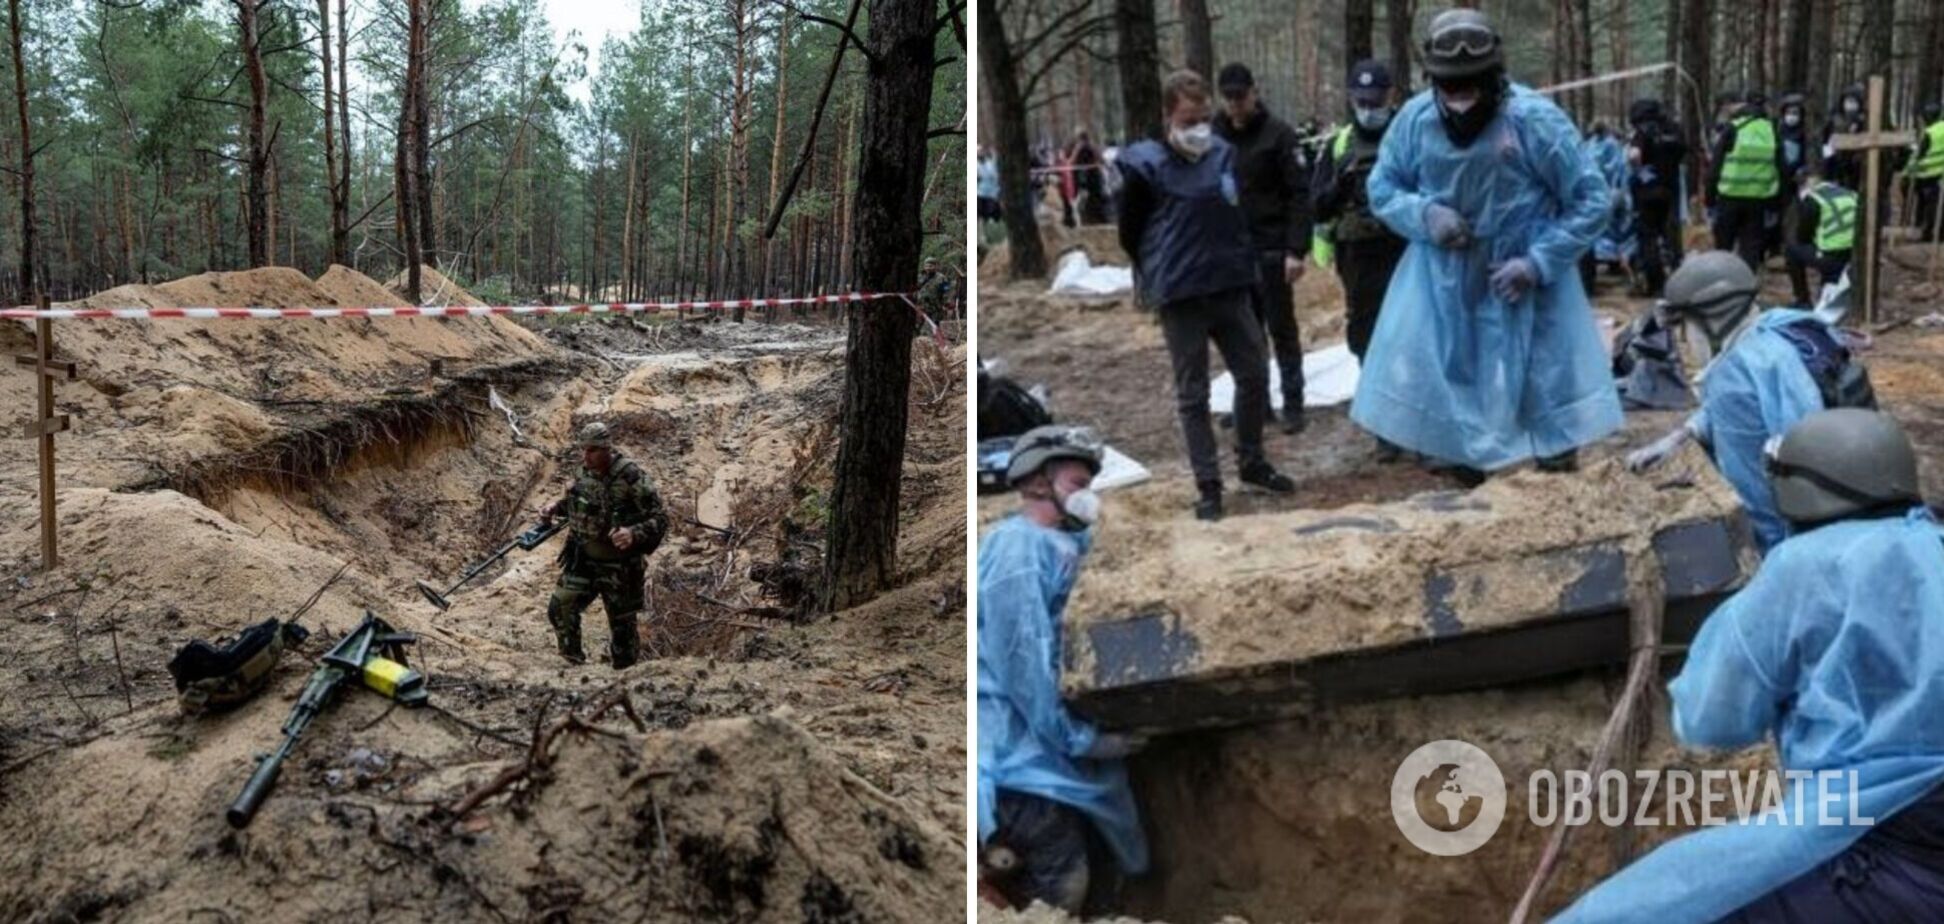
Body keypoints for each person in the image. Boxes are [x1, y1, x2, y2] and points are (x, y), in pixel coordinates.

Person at [1562, 408, 1944, 923]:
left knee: (1634, 911)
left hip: (1878, 836)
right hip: (1916, 831)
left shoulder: (1803, 567)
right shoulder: (1934, 542)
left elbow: (1711, 719)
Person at [1348, 9, 1622, 484]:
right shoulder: (1415, 121)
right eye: (1449, 87)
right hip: (1446, 276)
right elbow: (1383, 187)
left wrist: (1539, 262)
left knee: (1544, 365)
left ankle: (1556, 470)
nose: (1459, 99)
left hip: (1527, 273)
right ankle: (1464, 468)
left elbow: (1592, 199)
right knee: (1455, 366)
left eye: (1470, 85)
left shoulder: (1534, 120)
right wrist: (1425, 215)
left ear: (1494, 75)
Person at [977, 425, 1146, 914]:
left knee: (1091, 876)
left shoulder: (1061, 546)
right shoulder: (1018, 551)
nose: (1085, 499)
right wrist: (1081, 739)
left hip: (1043, 751)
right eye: (1076, 485)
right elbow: (1023, 663)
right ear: (1034, 483)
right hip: (1019, 760)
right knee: (1062, 888)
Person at [1118, 68, 1297, 520]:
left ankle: (1252, 460)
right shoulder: (1145, 167)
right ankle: (1208, 483)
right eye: (1187, 120)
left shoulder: (1222, 154)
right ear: (1167, 117)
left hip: (1231, 285)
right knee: (1193, 394)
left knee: (1254, 373)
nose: (1197, 128)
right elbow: (1130, 230)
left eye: (1202, 118)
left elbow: (1240, 211)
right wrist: (1156, 269)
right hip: (1181, 295)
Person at [1625, 251, 1875, 551]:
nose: (1682, 340)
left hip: (1808, 530)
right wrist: (1685, 433)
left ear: (1714, 318)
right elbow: (1763, 399)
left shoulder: (1732, 380)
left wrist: (1767, 563)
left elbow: (1756, 503)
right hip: (1858, 492)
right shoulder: (1784, 325)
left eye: (1685, 326)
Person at [1311, 59, 1409, 457]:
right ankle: (1385, 427)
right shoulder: (1338, 144)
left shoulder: (1408, 136)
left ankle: (1416, 421)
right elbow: (1316, 206)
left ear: (1391, 97)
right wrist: (1340, 185)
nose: (1369, 107)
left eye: (1376, 99)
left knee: (1411, 335)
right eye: (1361, 100)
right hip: (1358, 256)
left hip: (1404, 250)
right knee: (1367, 338)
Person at [1214, 61, 1314, 433]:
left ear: (1254, 92)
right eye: (1229, 98)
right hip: (1232, 251)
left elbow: (1299, 196)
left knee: (1281, 328)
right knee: (1244, 335)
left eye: (1241, 96)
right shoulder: (1214, 135)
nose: (1236, 104)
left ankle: (1293, 403)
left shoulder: (1279, 135)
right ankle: (1257, 404)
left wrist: (1296, 249)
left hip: (1273, 247)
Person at [540, 422, 668, 668]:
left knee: (622, 629)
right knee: (560, 608)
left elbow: (661, 519)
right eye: (583, 450)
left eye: (592, 450)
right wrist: (555, 508)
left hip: (620, 567)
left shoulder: (631, 478)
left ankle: (624, 677)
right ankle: (573, 665)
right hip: (583, 559)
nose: (585, 456)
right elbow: (577, 503)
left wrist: (634, 533)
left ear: (606, 449)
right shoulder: (583, 472)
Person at [1708, 90, 1789, 271]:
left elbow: (1716, 166)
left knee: (1724, 246)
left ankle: (1722, 282)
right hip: (1758, 198)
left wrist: (1709, 197)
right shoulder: (1771, 130)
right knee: (1751, 247)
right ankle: (1747, 287)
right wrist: (1779, 202)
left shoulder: (1733, 128)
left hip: (1729, 196)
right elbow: (1781, 167)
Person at [1627, 97, 1688, 296]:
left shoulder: (1643, 131)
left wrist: (1638, 170)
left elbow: (1634, 155)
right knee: (1669, 234)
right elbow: (1683, 151)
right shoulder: (1674, 130)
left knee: (1647, 237)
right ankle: (1677, 278)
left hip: (1647, 190)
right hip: (1670, 188)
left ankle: (1656, 283)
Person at [1783, 170, 1857, 306]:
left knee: (1791, 250)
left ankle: (1802, 299)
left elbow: (1803, 236)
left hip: (1829, 255)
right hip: (1853, 255)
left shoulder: (1813, 200)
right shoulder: (1852, 195)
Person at [1909, 101, 1944, 242]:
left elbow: (1919, 155)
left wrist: (1909, 171)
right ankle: (1939, 233)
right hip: (1940, 174)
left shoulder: (1929, 133)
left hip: (1928, 175)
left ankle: (1926, 234)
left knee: (1929, 207)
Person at [1068, 130, 1108, 225]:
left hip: (1086, 179)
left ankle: (1089, 219)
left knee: (1086, 199)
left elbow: (1071, 161)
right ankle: (1091, 219)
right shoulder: (1090, 146)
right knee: (1090, 199)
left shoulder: (1084, 147)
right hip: (1090, 178)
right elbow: (1101, 159)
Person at [978, 147, 1003, 223]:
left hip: (991, 194)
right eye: (978, 153)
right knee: (982, 216)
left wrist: (997, 191)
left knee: (992, 215)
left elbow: (996, 177)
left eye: (981, 152)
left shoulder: (990, 164)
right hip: (980, 194)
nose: (980, 154)